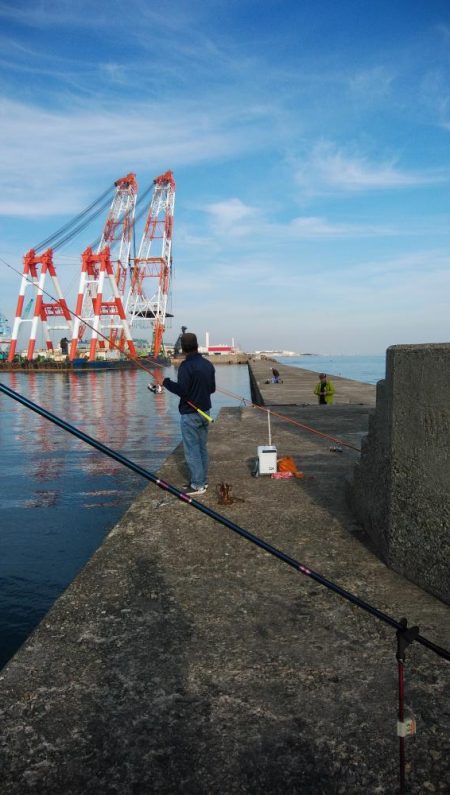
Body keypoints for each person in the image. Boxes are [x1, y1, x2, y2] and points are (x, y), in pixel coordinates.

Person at [150, 332, 215, 496]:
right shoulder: (208, 364)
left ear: (183, 348)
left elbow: (182, 391)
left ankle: (198, 484)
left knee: (192, 450)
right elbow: (212, 389)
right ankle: (202, 480)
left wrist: (165, 382)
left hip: (190, 414)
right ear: (197, 345)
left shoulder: (186, 366)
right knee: (202, 448)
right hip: (205, 412)